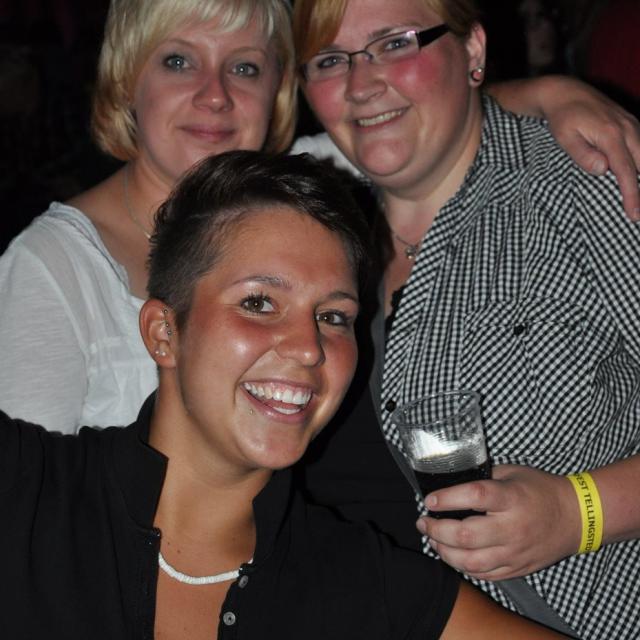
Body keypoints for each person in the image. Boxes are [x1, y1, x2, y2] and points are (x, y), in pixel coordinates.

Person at [0, 0, 639, 436]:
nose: (215, 94)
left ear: (277, 92)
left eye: (244, 67)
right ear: (125, 81)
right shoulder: (54, 268)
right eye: (178, 61)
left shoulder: (303, 186)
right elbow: (21, 504)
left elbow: (414, 120)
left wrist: (550, 94)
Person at [0, 150, 569, 639]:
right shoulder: (27, 491)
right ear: (164, 333)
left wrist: (583, 510)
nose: (308, 348)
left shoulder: (363, 583)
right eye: (259, 303)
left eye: (333, 316)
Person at [292, 1, 640, 638]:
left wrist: (578, 511)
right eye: (330, 60)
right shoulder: (314, 231)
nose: (361, 83)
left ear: (473, 50)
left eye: (396, 43)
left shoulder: (588, 182)